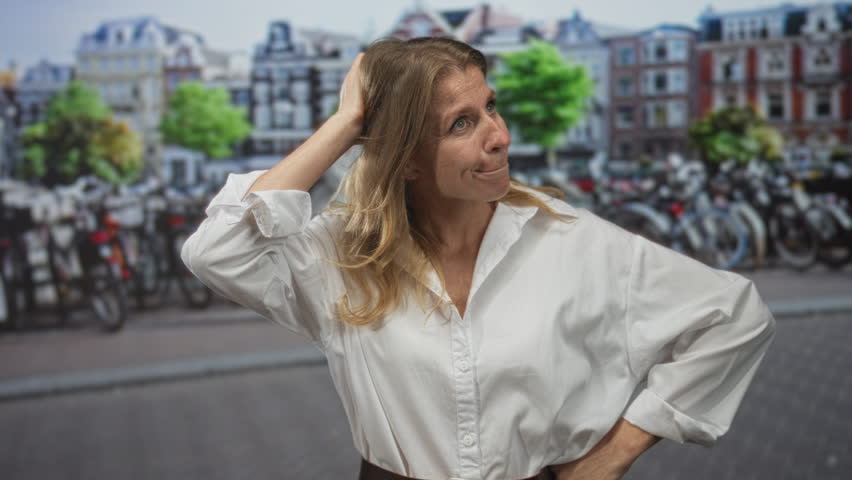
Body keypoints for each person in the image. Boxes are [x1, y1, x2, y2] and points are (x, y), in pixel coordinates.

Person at [182, 37, 776, 480]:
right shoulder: (342, 256)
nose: (498, 136)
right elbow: (219, 250)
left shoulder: (570, 240)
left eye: (491, 107)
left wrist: (614, 454)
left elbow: (733, 314)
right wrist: (347, 122)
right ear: (406, 161)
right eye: (461, 124)